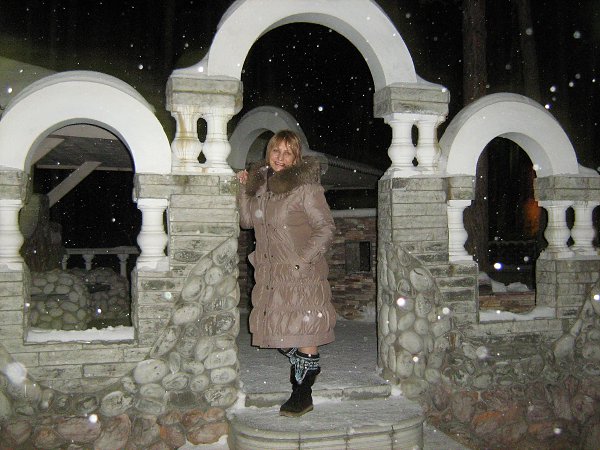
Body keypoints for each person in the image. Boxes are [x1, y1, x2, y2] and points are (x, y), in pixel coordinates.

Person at [236, 129, 336, 417]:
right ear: (268, 153)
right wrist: (245, 189)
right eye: (275, 151)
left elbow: (326, 228)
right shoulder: (263, 189)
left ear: (296, 158)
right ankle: (307, 372)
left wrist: (302, 261)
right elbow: (247, 220)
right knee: (278, 331)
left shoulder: (306, 189)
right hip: (271, 274)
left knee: (305, 331)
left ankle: (302, 394)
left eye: (287, 152)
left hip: (301, 274)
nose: (280, 157)